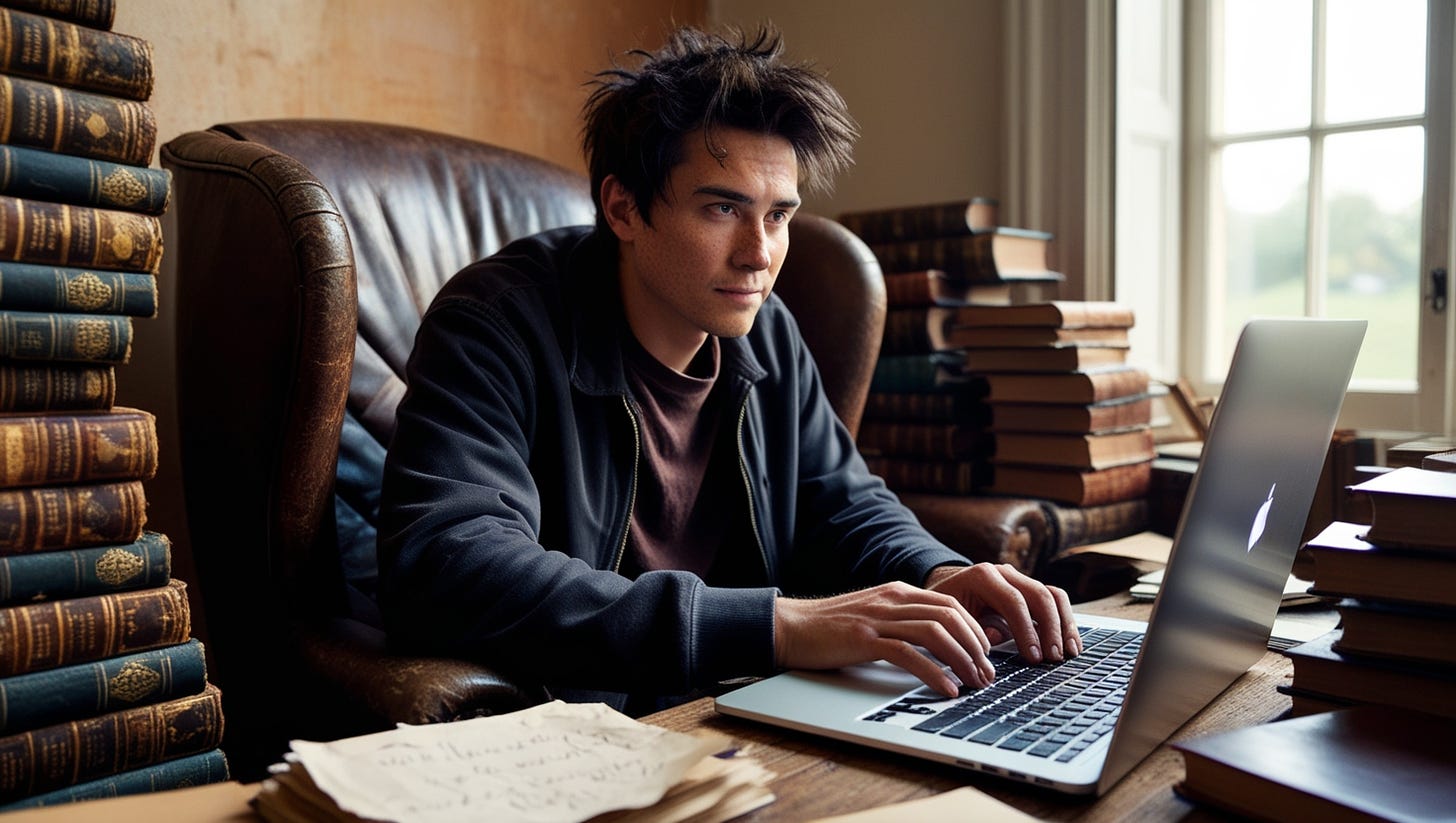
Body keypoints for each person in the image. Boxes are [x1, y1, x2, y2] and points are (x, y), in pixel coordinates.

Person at [378, 24, 1078, 714]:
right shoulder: (496, 322)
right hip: (585, 726)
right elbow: (453, 564)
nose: (759, 254)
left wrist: (939, 571)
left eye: (779, 216)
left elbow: (843, 499)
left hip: (742, 710)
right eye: (723, 208)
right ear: (622, 207)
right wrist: (781, 627)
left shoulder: (766, 331)